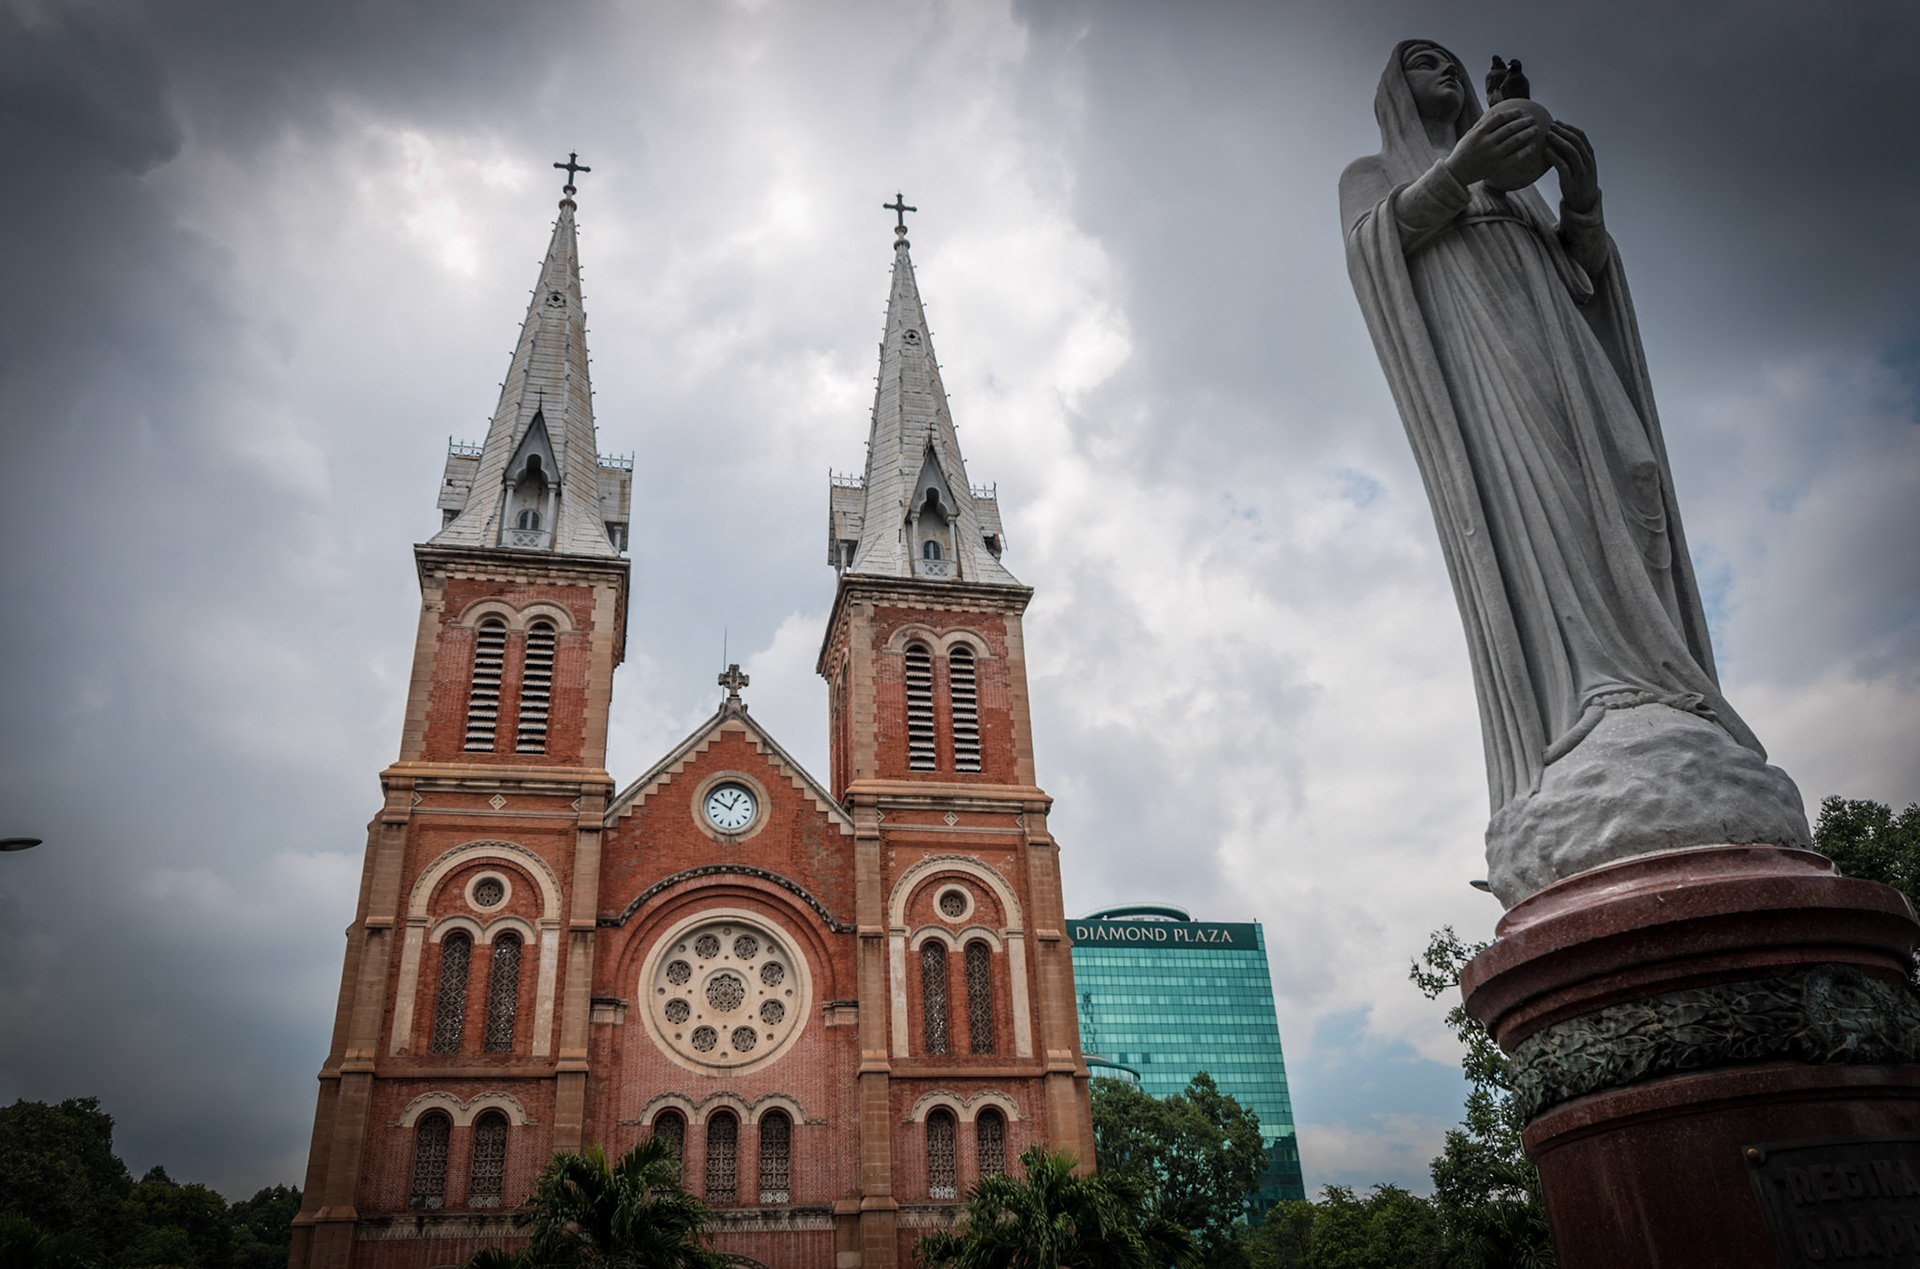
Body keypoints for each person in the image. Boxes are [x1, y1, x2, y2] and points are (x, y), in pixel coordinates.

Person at [1341, 40, 1784, 889]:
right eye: (1425, 63)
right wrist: (1464, 167)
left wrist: (1579, 197)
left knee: (1632, 478)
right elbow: (1373, 249)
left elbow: (1584, 274)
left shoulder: (1517, 189)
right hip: (1493, 374)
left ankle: (1664, 685)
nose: (1446, 71)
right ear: (1395, 90)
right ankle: (1596, 690)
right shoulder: (1371, 174)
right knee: (1556, 519)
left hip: (1569, 358)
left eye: (1451, 63)